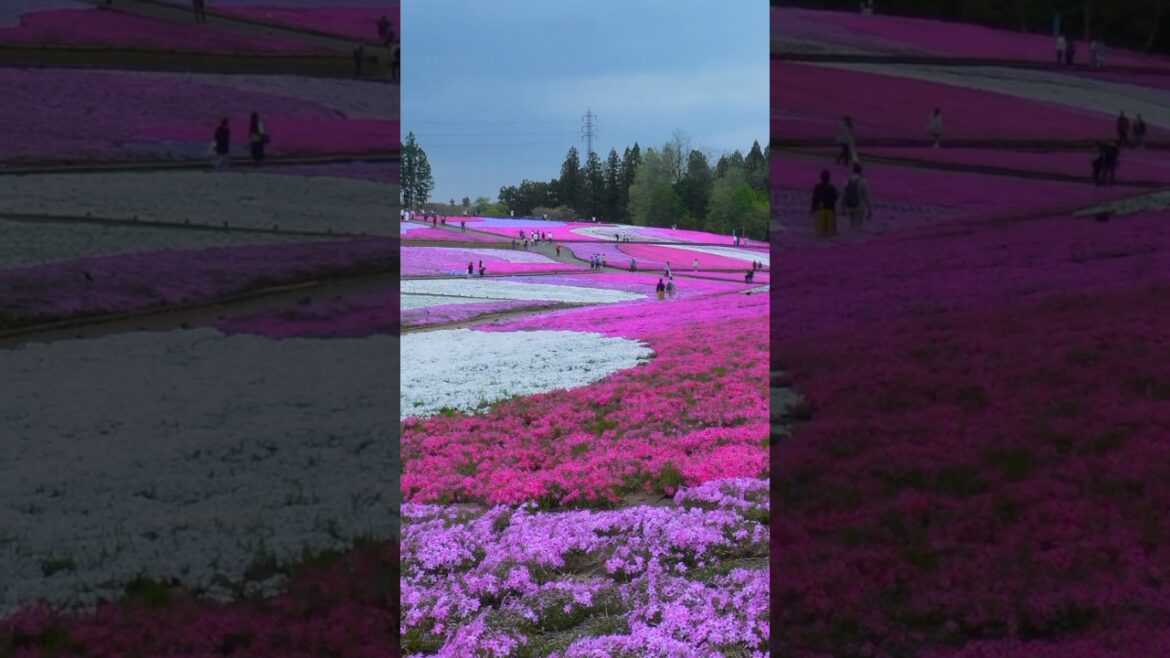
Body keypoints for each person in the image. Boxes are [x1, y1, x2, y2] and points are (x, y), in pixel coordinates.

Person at [841, 163, 874, 230]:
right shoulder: (863, 181)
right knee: (858, 226)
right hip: (859, 206)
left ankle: (851, 233)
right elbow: (867, 196)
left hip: (849, 205)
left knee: (851, 224)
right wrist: (870, 209)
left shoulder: (847, 181)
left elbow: (843, 196)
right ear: (860, 171)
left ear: (853, 171)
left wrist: (842, 208)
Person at [811, 169, 839, 238]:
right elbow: (835, 198)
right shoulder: (832, 188)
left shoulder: (817, 187)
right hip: (830, 211)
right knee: (829, 235)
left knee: (820, 235)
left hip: (819, 211)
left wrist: (813, 210)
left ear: (820, 177)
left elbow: (814, 200)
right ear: (829, 178)